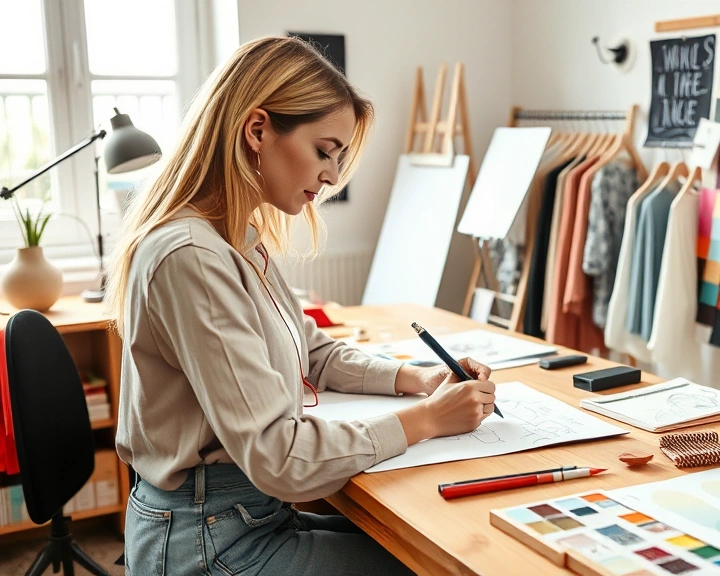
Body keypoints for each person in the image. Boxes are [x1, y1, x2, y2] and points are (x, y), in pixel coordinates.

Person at [106, 36, 498, 575]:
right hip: (206, 539)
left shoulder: (235, 238)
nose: (333, 176)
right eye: (324, 151)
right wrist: (424, 422)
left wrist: (419, 379)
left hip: (243, 516)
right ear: (258, 130)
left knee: (440, 547)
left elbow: (311, 352)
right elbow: (279, 455)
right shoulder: (192, 255)